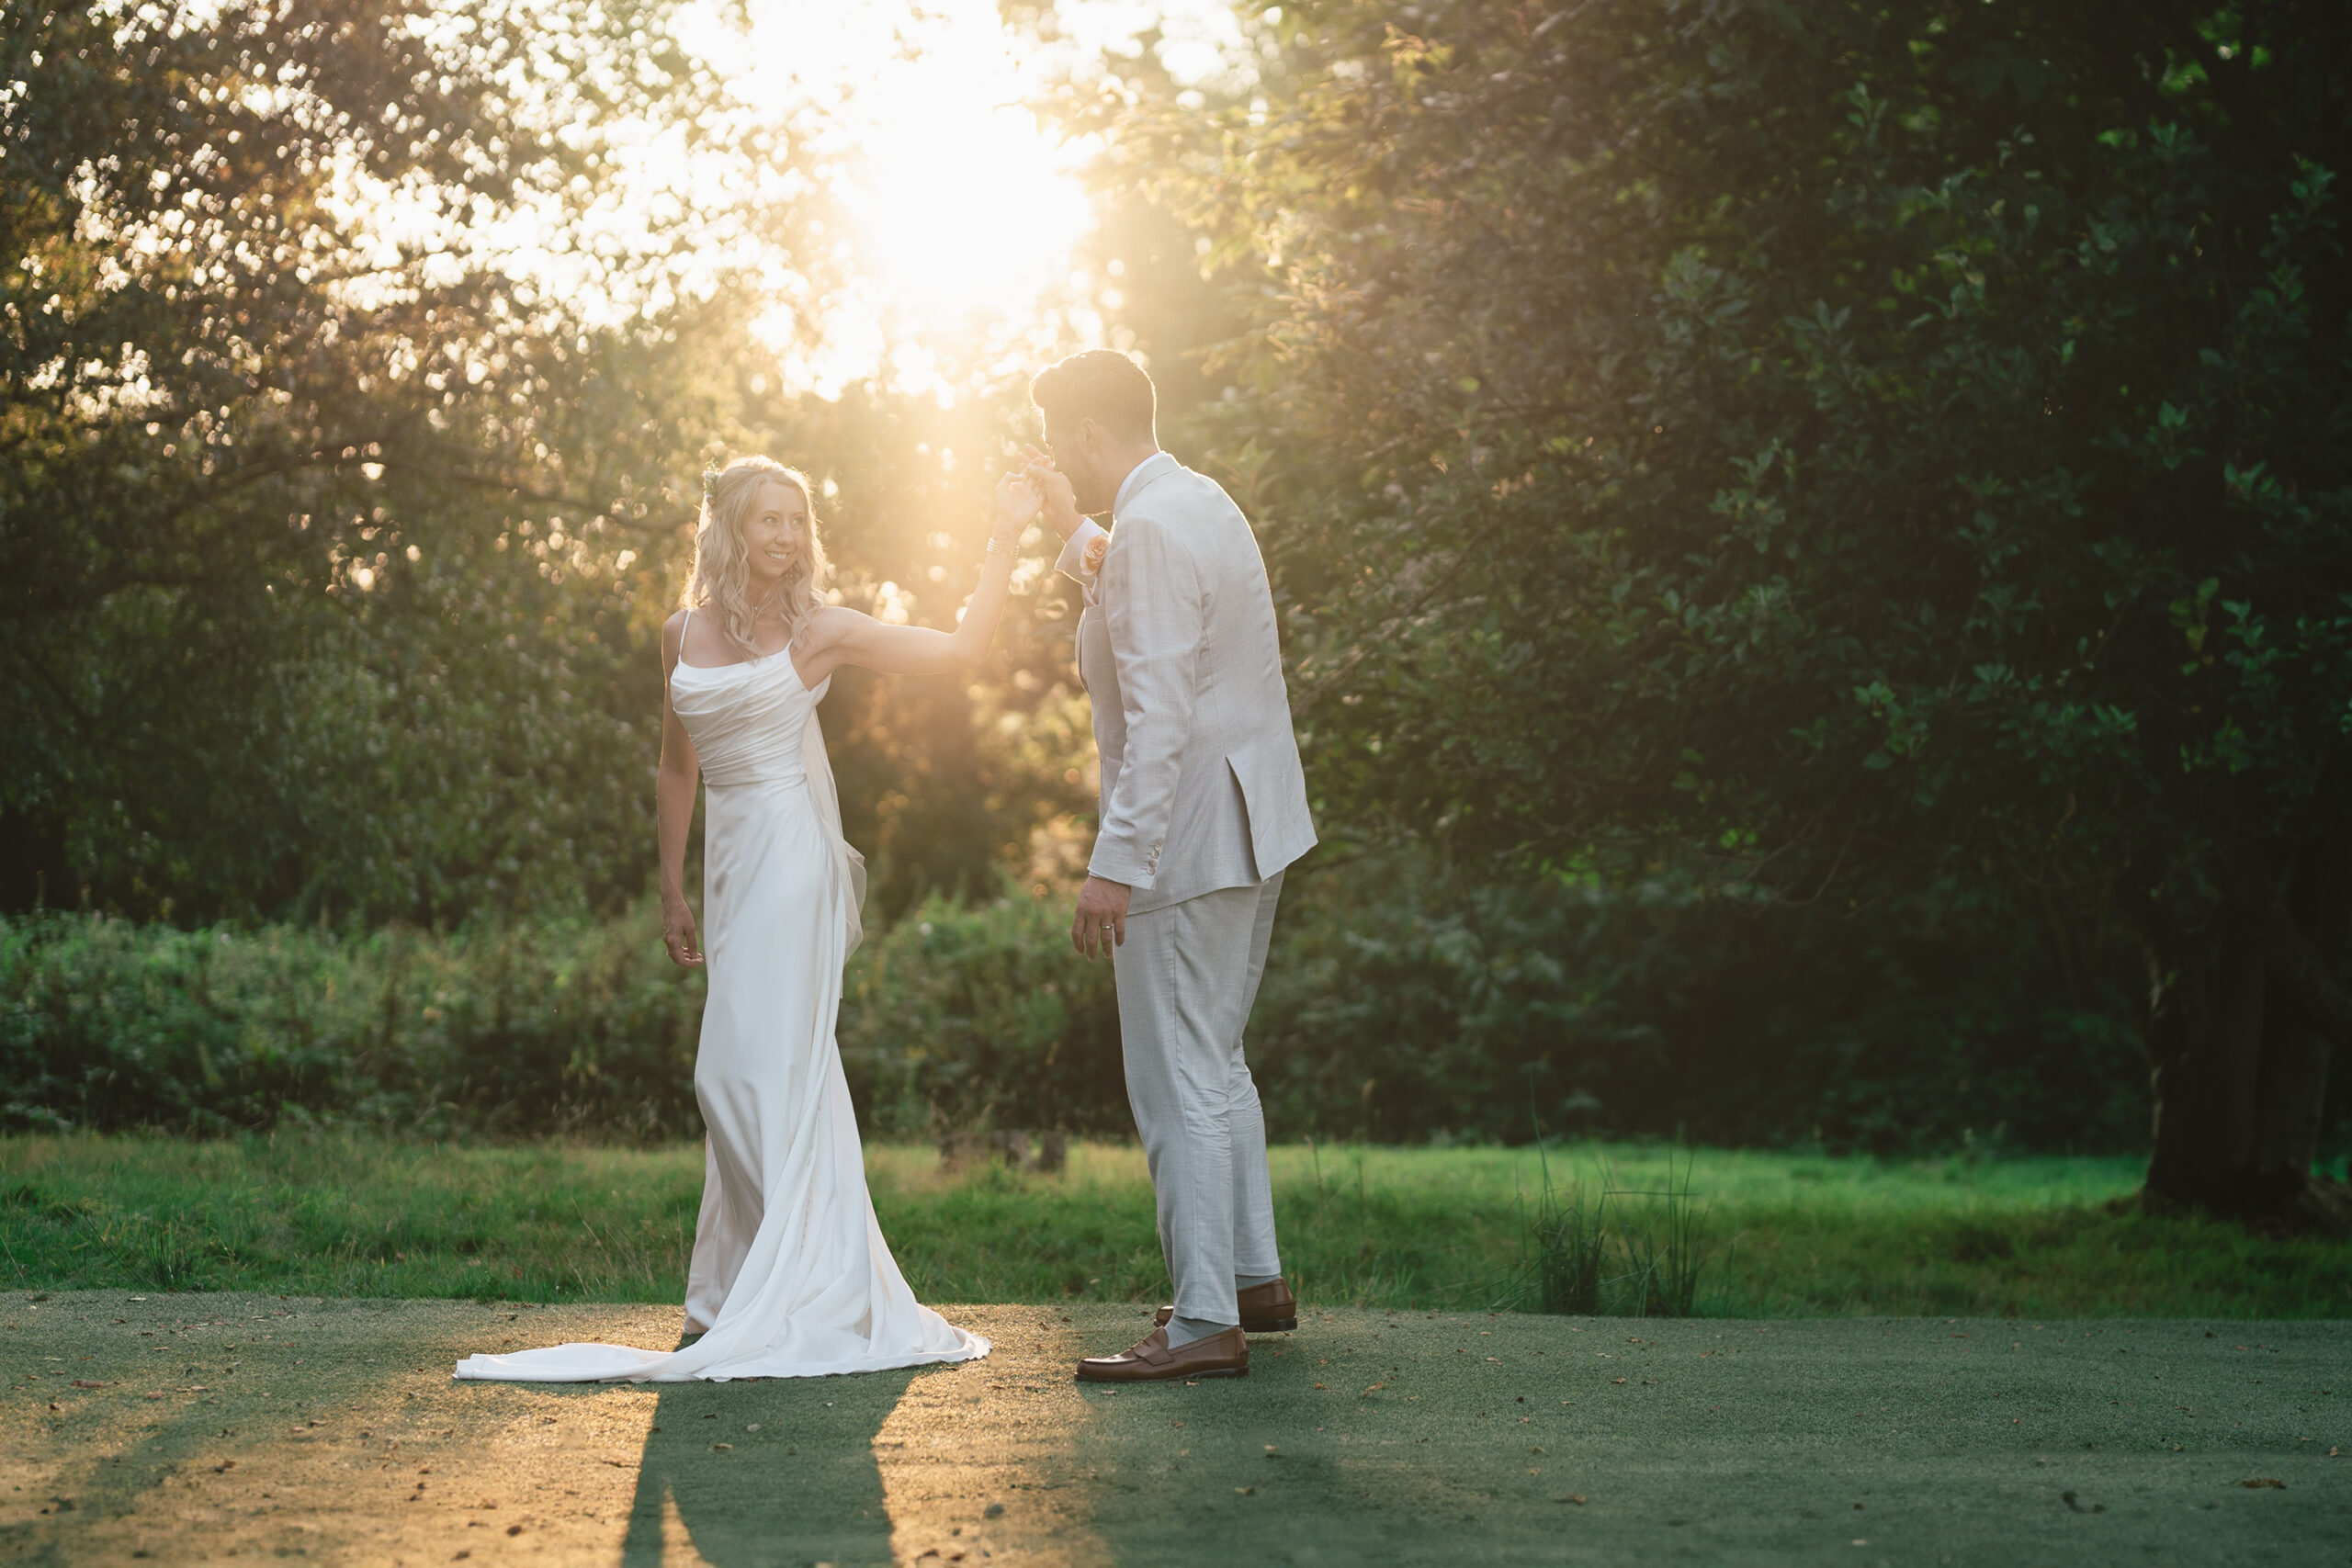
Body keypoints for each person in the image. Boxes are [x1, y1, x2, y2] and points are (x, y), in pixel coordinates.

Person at [455, 455, 1039, 1383]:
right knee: (764, 1070)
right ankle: (720, 1304)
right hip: (726, 869)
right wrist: (670, 885)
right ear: (727, 527)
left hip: (792, 861)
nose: (784, 536)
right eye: (767, 519)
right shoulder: (678, 632)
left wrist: (1005, 535)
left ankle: (805, 1290)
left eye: (796, 521)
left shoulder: (821, 631)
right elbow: (675, 765)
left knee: (735, 1072)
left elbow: (960, 650)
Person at [1023, 350, 1317, 1383]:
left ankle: (1200, 1323)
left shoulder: (1147, 529)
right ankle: (1248, 1277)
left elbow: (1157, 717)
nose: (1056, 453)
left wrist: (1116, 865)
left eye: (1059, 437)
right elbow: (1148, 601)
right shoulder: (1197, 501)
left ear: (1089, 434)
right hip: (1252, 822)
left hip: (1183, 841)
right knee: (1218, 1057)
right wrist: (1070, 531)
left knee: (1174, 1075)